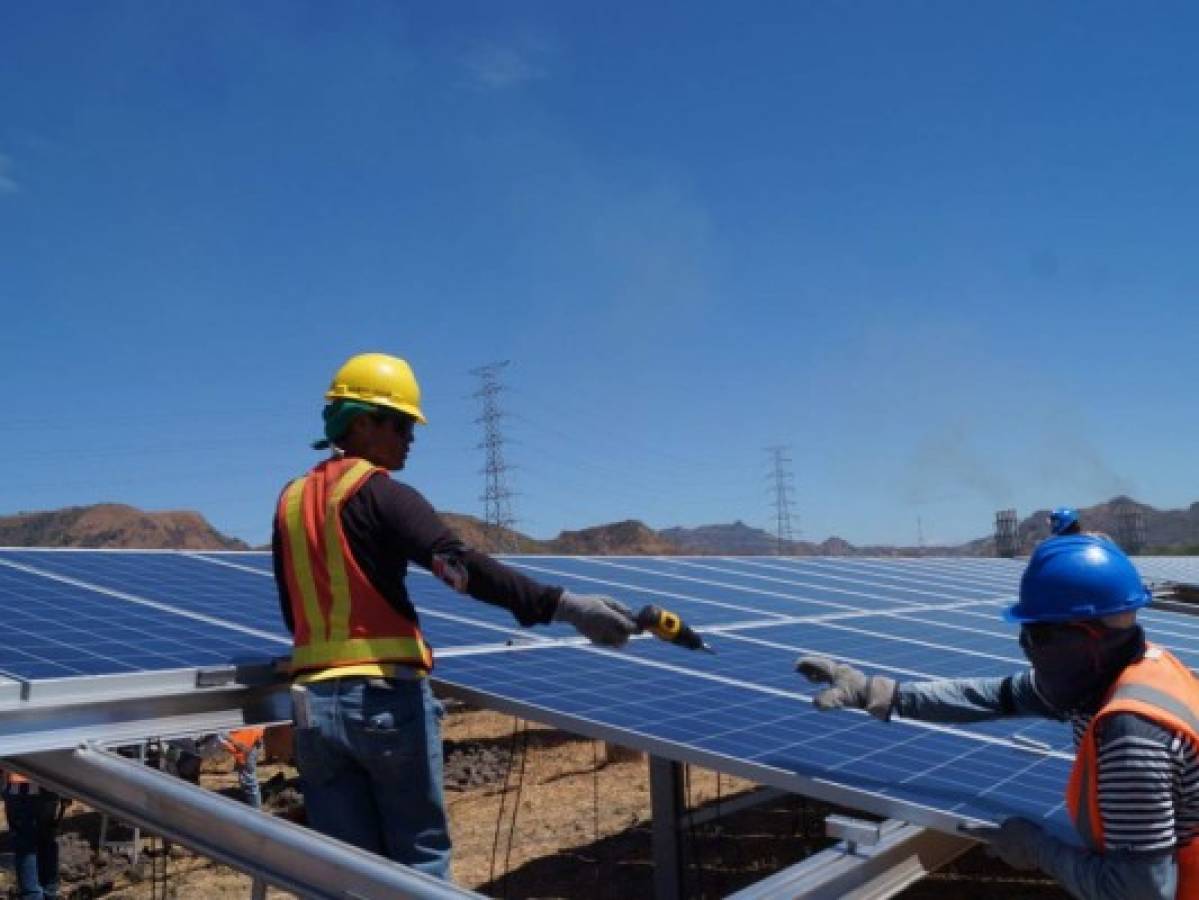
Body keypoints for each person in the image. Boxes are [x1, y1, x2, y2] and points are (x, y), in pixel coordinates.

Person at [272, 352, 639, 880]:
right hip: (382, 704)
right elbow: (460, 568)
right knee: (419, 869)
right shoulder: (383, 495)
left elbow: (292, 608)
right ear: (359, 422)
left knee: (348, 876)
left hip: (314, 714)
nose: (410, 439)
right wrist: (563, 606)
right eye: (399, 424)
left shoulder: (290, 502)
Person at [796, 534, 1199, 899]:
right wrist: (879, 693)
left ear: (1087, 637)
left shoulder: (1131, 734)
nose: (1026, 647)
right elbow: (992, 696)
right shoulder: (1127, 669)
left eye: (1037, 635)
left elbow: (1140, 894)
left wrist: (1037, 849)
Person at [1, 769, 61, 900]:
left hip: (19, 785)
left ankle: (34, 895)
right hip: (49, 783)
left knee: (26, 846)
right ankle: (49, 892)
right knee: (46, 841)